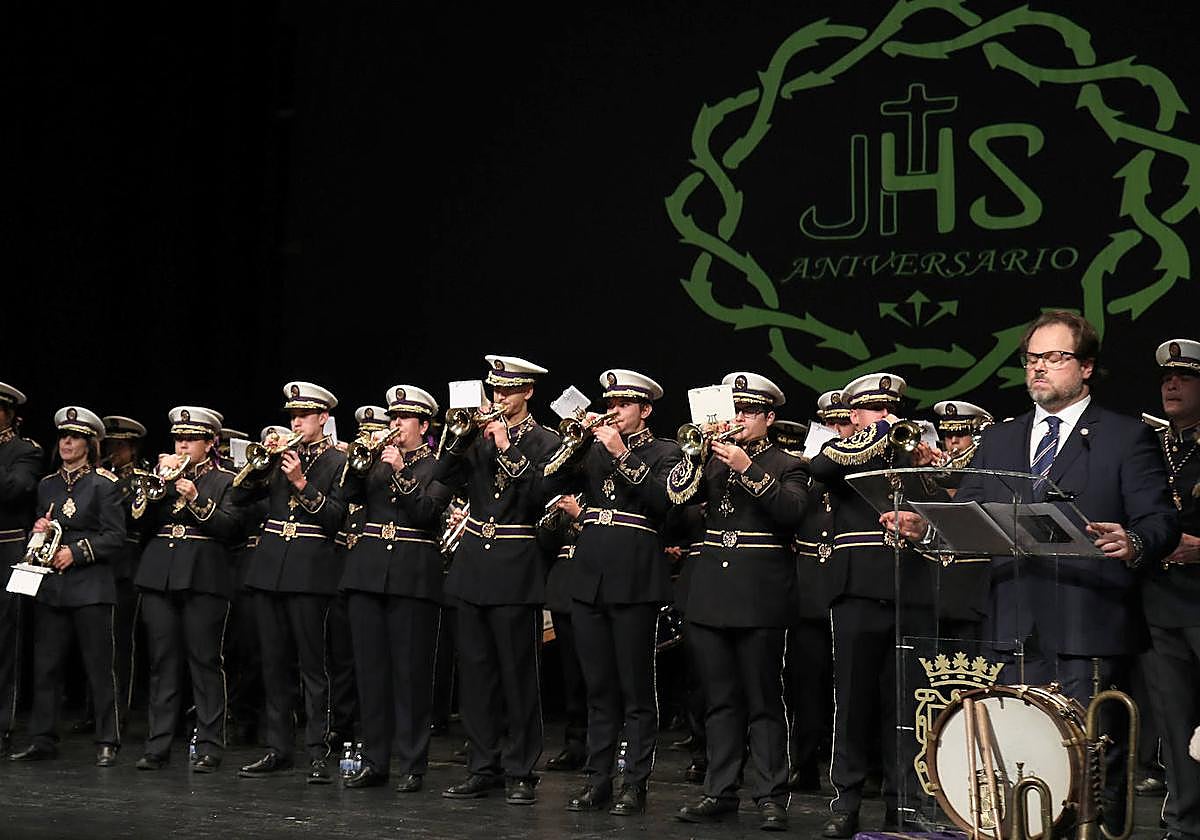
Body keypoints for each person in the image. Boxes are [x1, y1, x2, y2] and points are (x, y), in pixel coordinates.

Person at [888, 311, 1180, 829]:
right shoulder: (1000, 438)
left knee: (1087, 775)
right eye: (1032, 358)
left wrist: (1132, 541)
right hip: (1013, 626)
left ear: (1086, 367)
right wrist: (926, 531)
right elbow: (970, 516)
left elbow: (1160, 522)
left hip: (1089, 624)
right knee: (1019, 763)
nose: (1039, 368)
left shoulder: (1122, 436)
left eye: (1054, 357)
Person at [670, 372, 807, 831]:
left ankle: (771, 796)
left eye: (750, 412)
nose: (740, 419)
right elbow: (674, 511)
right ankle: (720, 790)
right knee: (720, 700)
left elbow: (791, 514)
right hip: (711, 595)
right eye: (737, 410)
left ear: (769, 418)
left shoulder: (789, 464)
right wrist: (694, 457)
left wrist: (748, 469)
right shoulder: (709, 463)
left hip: (760, 597)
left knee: (764, 700)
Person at [806, 373, 937, 837]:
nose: (880, 416)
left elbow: (944, 507)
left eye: (887, 409)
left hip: (912, 587)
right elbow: (819, 470)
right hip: (858, 588)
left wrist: (919, 456)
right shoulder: (841, 450)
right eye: (869, 410)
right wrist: (875, 435)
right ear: (854, 414)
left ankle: (906, 802)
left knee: (906, 703)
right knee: (854, 700)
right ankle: (846, 801)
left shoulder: (916, 449)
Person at [549, 368, 682, 815]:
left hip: (633, 578)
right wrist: (575, 444)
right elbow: (548, 485)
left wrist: (621, 453)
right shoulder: (592, 447)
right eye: (611, 404)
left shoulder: (667, 451)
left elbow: (663, 502)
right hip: (588, 577)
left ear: (645, 409)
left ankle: (635, 783)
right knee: (598, 687)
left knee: (636, 691)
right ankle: (598, 779)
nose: (614, 411)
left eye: (624, 405)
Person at [436, 355, 559, 805]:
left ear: (527, 392)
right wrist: (458, 437)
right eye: (495, 390)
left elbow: (539, 497)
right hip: (472, 567)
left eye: (508, 390)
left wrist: (507, 449)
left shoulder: (547, 441)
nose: (498, 397)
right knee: (475, 675)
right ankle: (482, 765)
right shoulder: (476, 435)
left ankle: (522, 770)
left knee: (517, 676)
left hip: (514, 566)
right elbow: (440, 479)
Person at [233, 382, 347, 784]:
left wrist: (301, 482)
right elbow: (237, 497)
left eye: (303, 415)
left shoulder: (338, 460)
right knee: (273, 664)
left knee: (314, 668)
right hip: (270, 570)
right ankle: (278, 748)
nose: (295, 421)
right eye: (292, 415)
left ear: (322, 417)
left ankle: (318, 751)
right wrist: (263, 463)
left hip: (310, 573)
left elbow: (337, 519)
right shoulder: (280, 456)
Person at [339, 385, 449, 793]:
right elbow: (346, 495)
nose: (395, 424)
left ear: (424, 424)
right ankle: (374, 761)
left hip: (411, 578)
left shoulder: (438, 465)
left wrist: (402, 472)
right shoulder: (377, 460)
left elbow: (425, 513)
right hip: (367, 574)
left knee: (410, 675)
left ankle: (413, 764)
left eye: (403, 419)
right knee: (371, 674)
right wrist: (358, 462)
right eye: (392, 417)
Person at [10, 406, 125, 766]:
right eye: (62, 436)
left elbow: (115, 536)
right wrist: (38, 534)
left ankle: (107, 739)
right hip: (53, 588)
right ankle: (42, 737)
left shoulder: (105, 484)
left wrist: (76, 552)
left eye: (74, 437)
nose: (67, 442)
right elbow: (44, 529)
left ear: (89, 443)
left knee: (98, 667)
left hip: (90, 587)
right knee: (46, 666)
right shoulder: (47, 485)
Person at [133, 406, 239, 772]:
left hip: (203, 577)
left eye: (191, 439)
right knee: (163, 662)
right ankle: (157, 745)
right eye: (179, 438)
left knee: (205, 662)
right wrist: (154, 489)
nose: (182, 444)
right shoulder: (161, 477)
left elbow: (231, 528)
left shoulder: (226, 479)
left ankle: (209, 744)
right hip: (159, 573)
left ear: (211, 443)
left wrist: (196, 498)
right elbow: (137, 524)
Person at [1140, 338, 1200, 840]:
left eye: (1184, 378)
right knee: (1174, 723)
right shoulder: (1150, 446)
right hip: (1159, 600)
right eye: (1166, 378)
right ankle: (1184, 823)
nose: (1172, 384)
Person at [0, 383, 41, 753]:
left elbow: (14, 490)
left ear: (9, 413)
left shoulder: (25, 451)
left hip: (6, 550)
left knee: (4, 640)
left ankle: (2, 726)